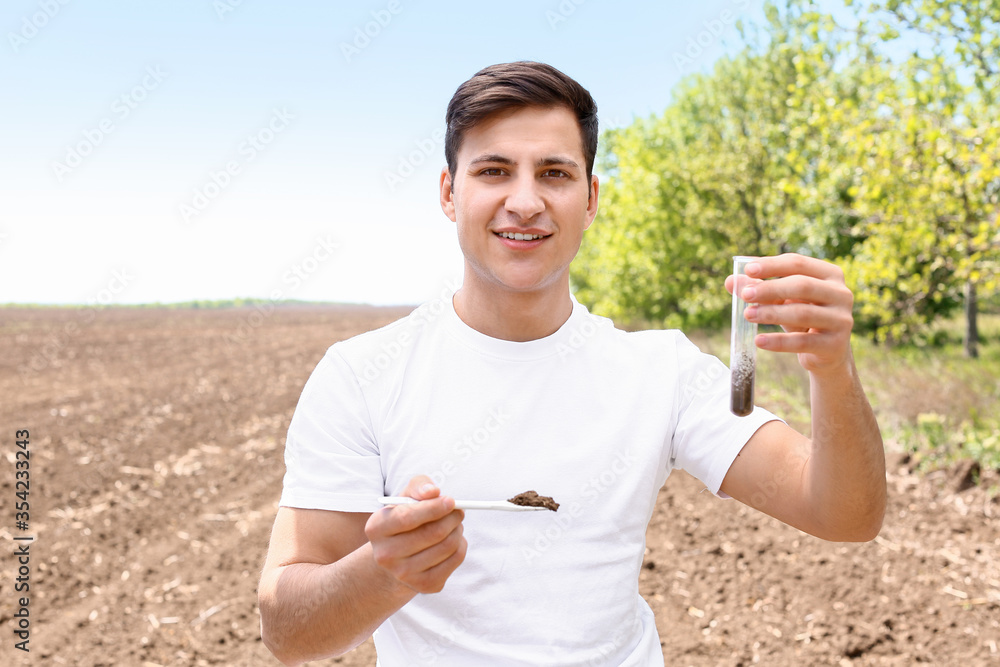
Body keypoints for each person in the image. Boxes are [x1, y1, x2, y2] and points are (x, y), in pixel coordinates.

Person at [257, 61, 886, 666]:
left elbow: (844, 514)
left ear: (590, 199)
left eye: (554, 173)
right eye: (495, 170)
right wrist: (384, 571)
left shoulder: (661, 372)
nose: (525, 201)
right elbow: (287, 630)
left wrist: (833, 371)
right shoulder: (362, 375)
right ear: (450, 193)